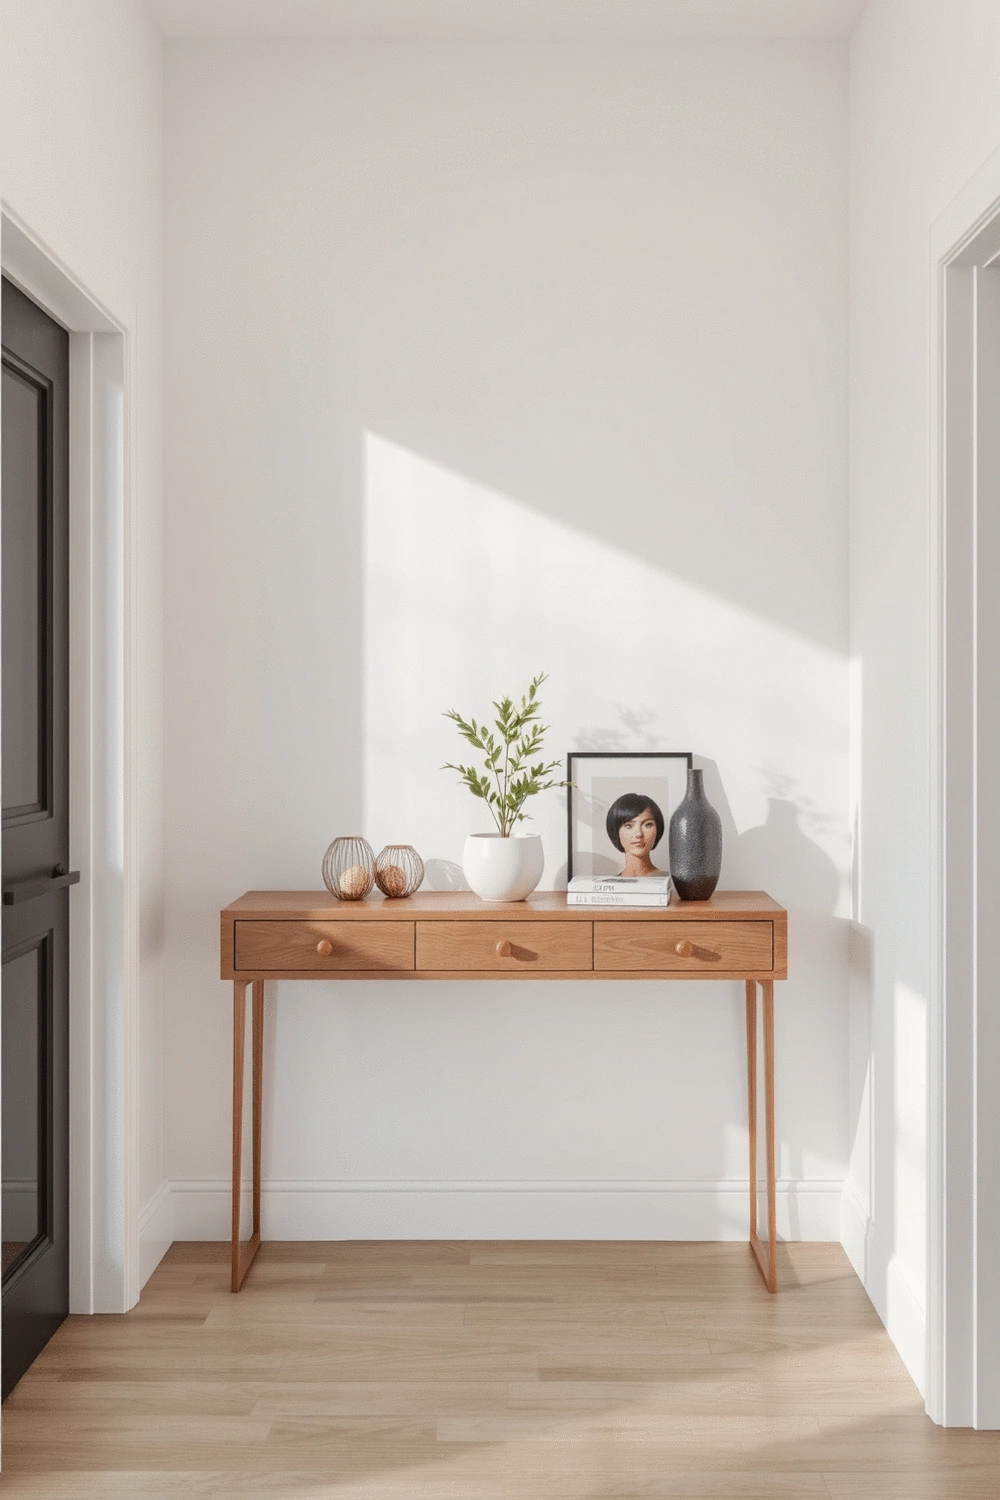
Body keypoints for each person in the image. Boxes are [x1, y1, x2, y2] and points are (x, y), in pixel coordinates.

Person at [605, 793, 665, 877]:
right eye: (628, 826)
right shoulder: (608, 883)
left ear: (658, 829)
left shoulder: (671, 882)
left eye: (647, 825)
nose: (639, 834)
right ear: (616, 831)